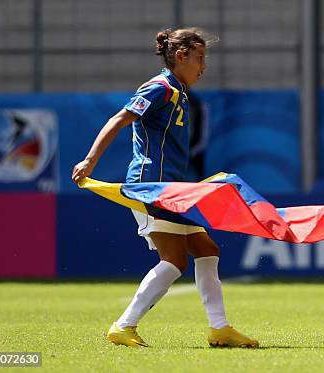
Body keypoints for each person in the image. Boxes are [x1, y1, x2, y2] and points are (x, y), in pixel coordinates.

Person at [71, 27, 258, 348]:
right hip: (150, 187)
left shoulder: (179, 92)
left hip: (172, 188)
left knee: (207, 249)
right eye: (200, 58)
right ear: (181, 56)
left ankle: (220, 328)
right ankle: (124, 326)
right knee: (175, 260)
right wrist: (90, 160)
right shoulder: (161, 87)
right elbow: (120, 118)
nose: (204, 65)